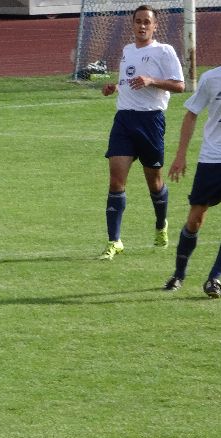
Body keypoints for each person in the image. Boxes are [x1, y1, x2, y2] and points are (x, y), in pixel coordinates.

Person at [96, 5, 184, 261]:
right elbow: (128, 81)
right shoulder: (127, 50)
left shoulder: (164, 51)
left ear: (155, 26)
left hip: (151, 122)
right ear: (132, 24)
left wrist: (151, 81)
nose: (142, 26)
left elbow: (180, 86)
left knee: (154, 182)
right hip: (124, 120)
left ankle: (161, 224)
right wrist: (114, 87)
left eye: (147, 22)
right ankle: (114, 241)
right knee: (116, 181)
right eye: (138, 21)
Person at [161, 65, 221, 297]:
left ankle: (215, 278)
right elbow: (191, 114)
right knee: (195, 220)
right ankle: (179, 274)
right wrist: (180, 155)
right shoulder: (211, 78)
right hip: (211, 160)